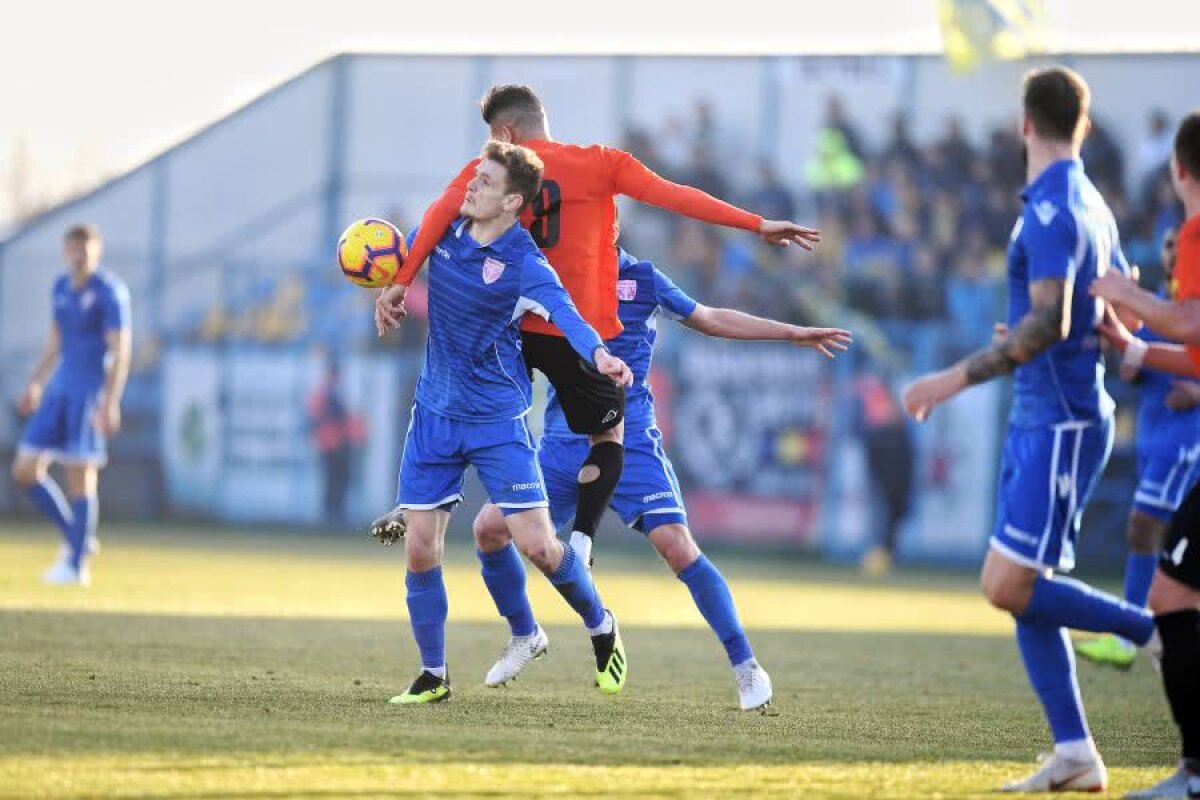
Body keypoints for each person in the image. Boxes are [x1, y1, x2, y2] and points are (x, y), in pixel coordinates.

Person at [375, 84, 819, 568]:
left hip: (512, 328)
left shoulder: (493, 171)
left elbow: (439, 215)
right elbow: (678, 198)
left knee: (469, 404)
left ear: (504, 133)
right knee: (608, 436)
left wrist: (400, 280)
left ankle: (423, 498)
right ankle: (584, 540)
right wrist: (756, 224)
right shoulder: (602, 162)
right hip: (573, 330)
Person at [902, 66, 1156, 793]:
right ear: (1083, 123)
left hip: (1061, 420)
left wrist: (951, 378)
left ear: (1024, 123)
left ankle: (1155, 631)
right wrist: (1042, 333)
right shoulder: (1089, 204)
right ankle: (1075, 753)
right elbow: (1109, 314)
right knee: (1022, 587)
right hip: (1047, 414)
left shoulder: (1054, 207)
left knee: (1006, 584)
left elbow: (1056, 319)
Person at [468, 246, 850, 709]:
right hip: (561, 442)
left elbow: (708, 317)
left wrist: (790, 332)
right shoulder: (554, 273)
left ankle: (747, 667)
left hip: (631, 441)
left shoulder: (644, 279)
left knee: (677, 546)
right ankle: (525, 633)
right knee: (489, 530)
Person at [384, 140, 634, 704]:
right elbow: (412, 254)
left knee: (540, 545)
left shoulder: (523, 262)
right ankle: (434, 675)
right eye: (475, 175)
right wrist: (393, 289)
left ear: (511, 201)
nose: (471, 186)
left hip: (497, 421)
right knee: (421, 546)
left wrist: (600, 357)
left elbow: (569, 315)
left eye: (485, 182)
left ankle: (600, 623)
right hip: (434, 416)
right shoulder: (446, 232)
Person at [1088, 109, 1200, 800]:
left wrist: (1124, 293)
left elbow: (1192, 326)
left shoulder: (1196, 230)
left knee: (1169, 593)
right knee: (1169, 586)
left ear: (1179, 169)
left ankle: (1193, 775)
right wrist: (1132, 344)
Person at [1076, 225, 1200, 672]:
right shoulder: (1156, 309)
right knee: (1165, 536)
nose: (1171, 252)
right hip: (1153, 431)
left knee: (1143, 526)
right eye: (1166, 246)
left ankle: (1134, 633)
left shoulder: (1186, 309)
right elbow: (1131, 367)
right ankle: (1155, 630)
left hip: (1183, 437)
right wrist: (1113, 305)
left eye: (1176, 245)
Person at [10, 224, 131, 587]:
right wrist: (35, 382)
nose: (79, 255)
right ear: (65, 251)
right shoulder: (61, 288)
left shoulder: (109, 292)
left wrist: (110, 401)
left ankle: (76, 567)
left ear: (97, 251)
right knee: (24, 469)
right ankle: (76, 537)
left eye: (86, 249)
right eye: (73, 249)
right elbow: (55, 343)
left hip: (88, 393)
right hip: (58, 390)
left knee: (81, 477)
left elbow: (120, 349)